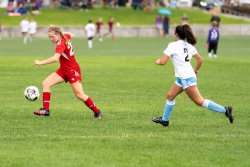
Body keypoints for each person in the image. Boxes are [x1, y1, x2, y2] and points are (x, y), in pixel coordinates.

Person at [152, 24, 234, 127]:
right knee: (170, 96)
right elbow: (200, 60)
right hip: (183, 77)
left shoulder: (172, 45)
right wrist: (195, 71)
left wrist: (158, 61)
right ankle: (165, 120)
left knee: (199, 101)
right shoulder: (189, 46)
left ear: (176, 34)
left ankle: (225, 110)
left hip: (186, 78)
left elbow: (163, 62)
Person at [33, 25, 102, 119]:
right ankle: (46, 110)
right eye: (49, 37)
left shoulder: (60, 44)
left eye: (52, 36)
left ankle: (97, 112)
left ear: (58, 35)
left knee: (79, 95)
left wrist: (40, 63)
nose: (51, 39)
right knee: (46, 83)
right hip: (63, 69)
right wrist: (60, 31)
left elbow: (55, 58)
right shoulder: (64, 36)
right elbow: (72, 34)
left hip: (72, 70)